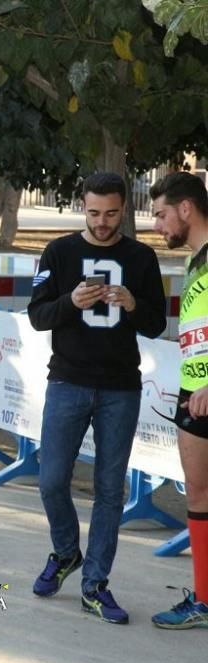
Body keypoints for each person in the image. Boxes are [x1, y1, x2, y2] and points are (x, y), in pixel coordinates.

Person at [27, 171, 166, 625]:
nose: (102, 222)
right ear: (81, 208)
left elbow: (156, 324)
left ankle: (95, 584)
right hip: (67, 381)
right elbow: (37, 316)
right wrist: (71, 302)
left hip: (120, 388)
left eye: (110, 213)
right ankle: (66, 553)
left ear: (124, 209)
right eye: (93, 213)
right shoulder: (60, 251)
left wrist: (132, 305)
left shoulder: (142, 257)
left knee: (110, 490)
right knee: (50, 481)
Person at [149, 171, 208, 629]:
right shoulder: (195, 262)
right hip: (194, 393)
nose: (156, 225)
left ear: (186, 209)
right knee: (200, 494)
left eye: (161, 214)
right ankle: (204, 600)